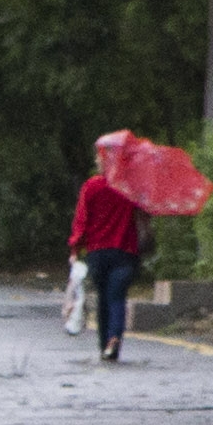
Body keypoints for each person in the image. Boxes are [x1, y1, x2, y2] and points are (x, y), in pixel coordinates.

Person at [69, 139, 143, 366]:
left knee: (103, 298)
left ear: (105, 163)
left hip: (97, 253)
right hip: (125, 252)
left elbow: (82, 221)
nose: (96, 162)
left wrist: (75, 247)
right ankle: (113, 340)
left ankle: (104, 345)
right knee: (117, 297)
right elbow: (143, 214)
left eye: (99, 159)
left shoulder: (91, 187)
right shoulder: (129, 188)